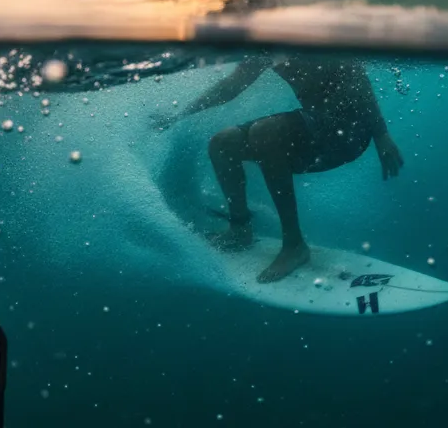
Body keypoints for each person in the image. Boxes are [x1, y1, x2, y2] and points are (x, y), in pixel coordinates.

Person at [155, 53, 404, 283]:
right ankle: (240, 229)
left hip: (349, 132)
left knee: (266, 132)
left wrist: (381, 134)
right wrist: (179, 115)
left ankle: (294, 245)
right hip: (314, 127)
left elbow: (356, 74)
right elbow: (231, 87)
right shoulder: (263, 45)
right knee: (223, 143)